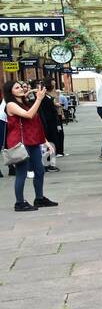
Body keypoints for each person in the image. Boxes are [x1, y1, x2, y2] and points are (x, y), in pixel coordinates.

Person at [4, 80, 57, 211]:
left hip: (33, 140)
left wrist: (44, 141)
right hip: (20, 143)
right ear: (10, 91)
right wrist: (38, 99)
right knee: (22, 173)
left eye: (21, 87)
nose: (21, 89)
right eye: (16, 88)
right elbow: (29, 115)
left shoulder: (25, 103)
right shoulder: (10, 104)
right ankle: (19, 203)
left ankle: (39, 198)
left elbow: (34, 124)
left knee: (39, 170)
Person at [36, 79, 62, 172]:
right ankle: (47, 164)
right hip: (46, 123)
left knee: (52, 143)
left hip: (51, 122)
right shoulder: (40, 99)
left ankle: (50, 163)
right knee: (48, 143)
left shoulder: (47, 96)